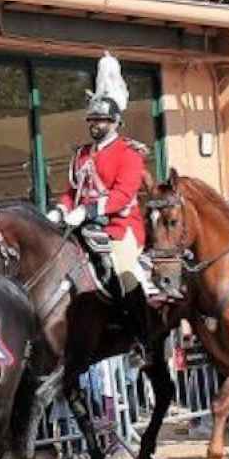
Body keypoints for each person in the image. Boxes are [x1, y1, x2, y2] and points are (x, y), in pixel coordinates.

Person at [49, 54, 163, 307]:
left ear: (115, 123)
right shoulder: (81, 154)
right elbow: (73, 191)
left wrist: (86, 210)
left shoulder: (128, 153)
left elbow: (122, 196)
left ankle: (140, 328)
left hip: (119, 227)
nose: (95, 125)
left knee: (124, 272)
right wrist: (59, 210)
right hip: (82, 225)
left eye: (101, 120)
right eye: (92, 120)